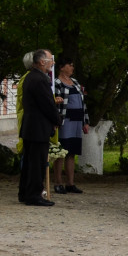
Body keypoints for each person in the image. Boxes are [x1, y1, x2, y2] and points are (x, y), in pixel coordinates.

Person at [19, 49, 60, 207]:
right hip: (38, 127)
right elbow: (47, 105)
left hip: (31, 126)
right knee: (37, 163)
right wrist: (57, 119)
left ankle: (25, 192)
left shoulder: (30, 77)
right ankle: (34, 195)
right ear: (42, 62)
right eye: (51, 59)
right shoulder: (40, 79)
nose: (53, 63)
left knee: (30, 162)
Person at [52, 59, 90, 194]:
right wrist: (55, 121)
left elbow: (83, 103)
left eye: (73, 65)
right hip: (64, 122)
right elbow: (53, 102)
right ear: (62, 67)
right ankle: (58, 183)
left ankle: (70, 183)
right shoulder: (56, 83)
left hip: (76, 122)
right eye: (70, 65)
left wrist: (85, 121)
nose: (72, 68)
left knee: (72, 153)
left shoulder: (76, 83)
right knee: (61, 153)